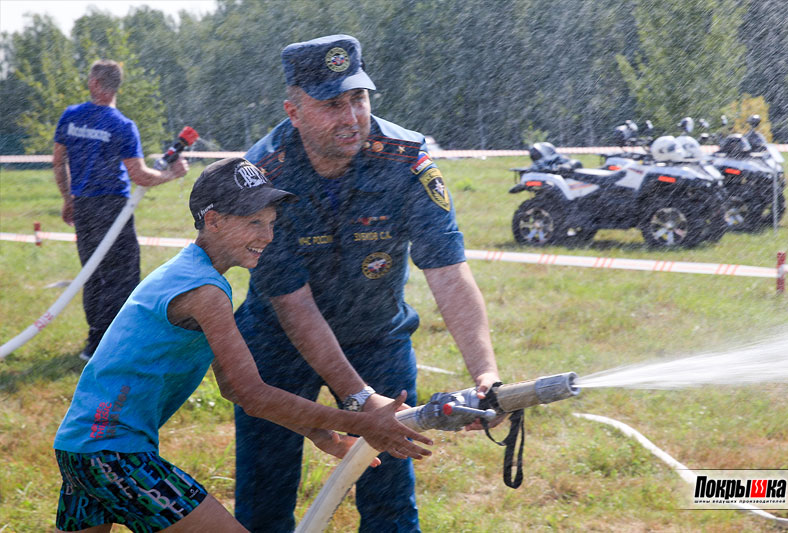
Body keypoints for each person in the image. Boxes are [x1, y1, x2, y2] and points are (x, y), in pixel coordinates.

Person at [52, 157, 432, 533]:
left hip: (79, 447)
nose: (267, 237)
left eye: (270, 223)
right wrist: (361, 423)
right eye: (254, 223)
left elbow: (234, 387)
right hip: (114, 454)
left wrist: (318, 432)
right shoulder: (205, 291)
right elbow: (253, 394)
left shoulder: (188, 273)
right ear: (213, 220)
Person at [234, 34, 503, 532]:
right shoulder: (262, 177)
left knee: (390, 500)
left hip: (376, 335)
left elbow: (447, 270)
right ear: (293, 112)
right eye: (332, 104)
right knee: (265, 495)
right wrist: (360, 400)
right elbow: (294, 305)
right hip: (277, 342)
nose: (351, 116)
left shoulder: (406, 159)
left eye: (358, 98)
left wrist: (485, 375)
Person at [53, 59, 189, 361]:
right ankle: (108, 345)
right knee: (120, 277)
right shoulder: (121, 125)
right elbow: (139, 175)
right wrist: (173, 175)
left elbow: (58, 161)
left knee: (92, 273)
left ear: (95, 83)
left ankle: (96, 339)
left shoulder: (71, 116)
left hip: (85, 207)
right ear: (116, 86)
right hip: (112, 208)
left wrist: (68, 198)